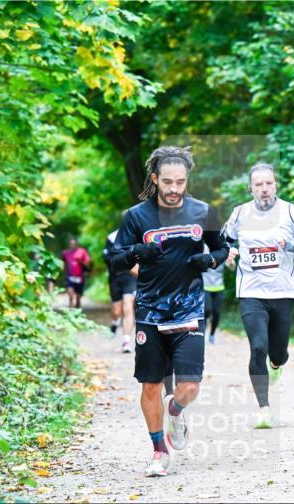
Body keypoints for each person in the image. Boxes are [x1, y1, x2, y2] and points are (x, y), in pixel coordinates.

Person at [110, 146, 229, 477]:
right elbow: (117, 262)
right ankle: (159, 451)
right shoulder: (136, 217)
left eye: (180, 182)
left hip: (189, 309)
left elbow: (224, 247)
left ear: (187, 179)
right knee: (149, 387)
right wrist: (136, 251)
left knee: (189, 387)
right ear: (155, 179)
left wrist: (211, 259)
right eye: (167, 182)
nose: (174, 189)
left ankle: (175, 410)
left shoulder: (203, 211)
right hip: (149, 311)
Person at [223, 163, 294, 429]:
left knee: (278, 352)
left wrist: (292, 245)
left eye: (268, 184)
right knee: (257, 347)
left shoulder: (290, 211)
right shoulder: (240, 213)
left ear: (275, 185)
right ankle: (264, 408)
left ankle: (277, 364)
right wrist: (227, 254)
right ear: (251, 189)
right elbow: (222, 240)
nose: (264, 189)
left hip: (283, 292)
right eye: (258, 185)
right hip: (251, 291)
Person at [103, 229, 138, 352]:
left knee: (128, 306)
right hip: (115, 277)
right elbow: (106, 257)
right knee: (116, 311)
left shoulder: (138, 234)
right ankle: (115, 321)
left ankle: (126, 341)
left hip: (131, 278)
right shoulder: (112, 237)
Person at [202, 243, 227, 344]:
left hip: (218, 286)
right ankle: (202, 332)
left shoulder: (223, 249)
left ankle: (212, 334)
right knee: (207, 310)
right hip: (205, 285)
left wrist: (231, 263)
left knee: (217, 313)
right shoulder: (203, 247)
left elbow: (231, 267)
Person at [61, 236, 91, 309]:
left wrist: (80, 261)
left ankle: (77, 309)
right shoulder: (65, 253)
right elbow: (63, 262)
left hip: (80, 277)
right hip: (70, 276)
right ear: (69, 245)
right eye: (71, 244)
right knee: (70, 295)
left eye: (74, 244)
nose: (72, 246)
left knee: (78, 297)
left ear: (77, 245)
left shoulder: (82, 252)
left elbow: (88, 263)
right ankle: (71, 309)